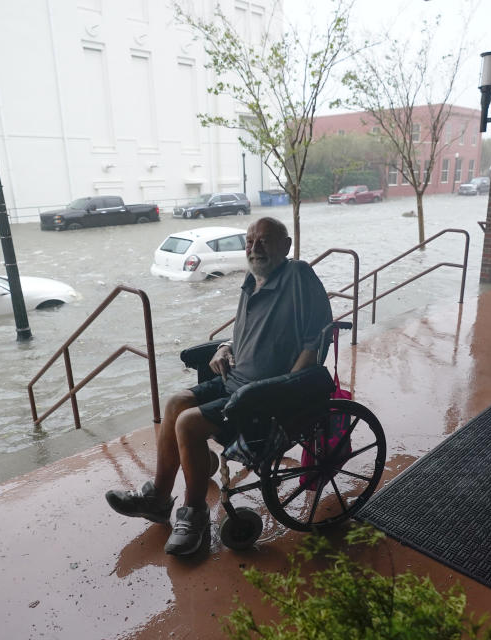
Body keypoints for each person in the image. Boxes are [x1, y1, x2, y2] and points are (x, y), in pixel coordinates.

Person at [105, 217, 332, 556]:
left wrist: (288, 389)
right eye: (250, 241)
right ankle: (157, 499)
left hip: (264, 396)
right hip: (235, 380)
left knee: (188, 422)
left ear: (285, 246)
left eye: (265, 241)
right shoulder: (252, 280)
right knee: (175, 403)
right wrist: (225, 348)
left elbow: (315, 341)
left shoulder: (297, 276)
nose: (255, 248)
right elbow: (244, 333)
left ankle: (195, 514)